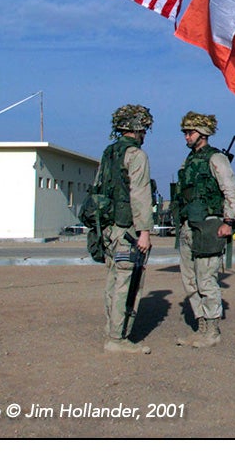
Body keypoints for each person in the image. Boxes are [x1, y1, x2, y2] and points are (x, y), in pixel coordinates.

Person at [172, 111, 235, 348]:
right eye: (185, 133)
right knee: (189, 280)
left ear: (202, 133)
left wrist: (228, 222)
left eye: (189, 133)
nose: (186, 138)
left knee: (206, 280)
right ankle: (201, 326)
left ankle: (212, 330)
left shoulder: (217, 159)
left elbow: (231, 193)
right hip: (188, 227)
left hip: (209, 227)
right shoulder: (189, 160)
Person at [95, 104, 155, 354]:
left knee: (113, 281)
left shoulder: (109, 153)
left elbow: (98, 189)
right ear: (138, 129)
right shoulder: (136, 155)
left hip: (108, 229)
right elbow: (140, 194)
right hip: (127, 230)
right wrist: (145, 232)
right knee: (125, 282)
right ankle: (117, 338)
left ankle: (112, 330)